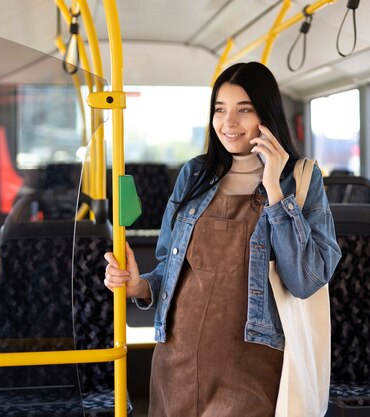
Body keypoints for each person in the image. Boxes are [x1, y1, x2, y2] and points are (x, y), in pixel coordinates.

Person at [103, 61, 341, 417]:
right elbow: (172, 268)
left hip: (254, 365)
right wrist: (138, 286)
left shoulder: (302, 179)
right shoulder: (194, 174)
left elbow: (305, 280)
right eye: (220, 110)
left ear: (267, 114)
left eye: (243, 110)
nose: (228, 123)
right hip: (177, 359)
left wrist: (275, 189)